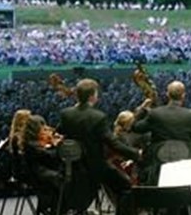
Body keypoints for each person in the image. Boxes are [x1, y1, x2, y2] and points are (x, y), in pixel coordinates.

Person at [132, 80, 191, 214]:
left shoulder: (155, 114)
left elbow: (135, 127)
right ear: (183, 96)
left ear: (167, 94)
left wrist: (142, 108)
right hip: (187, 170)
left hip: (159, 170)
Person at [58, 78, 140, 215]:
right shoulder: (98, 117)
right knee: (126, 187)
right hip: (95, 166)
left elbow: (60, 133)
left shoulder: (66, 114)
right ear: (92, 96)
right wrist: (135, 154)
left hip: (73, 166)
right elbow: (112, 143)